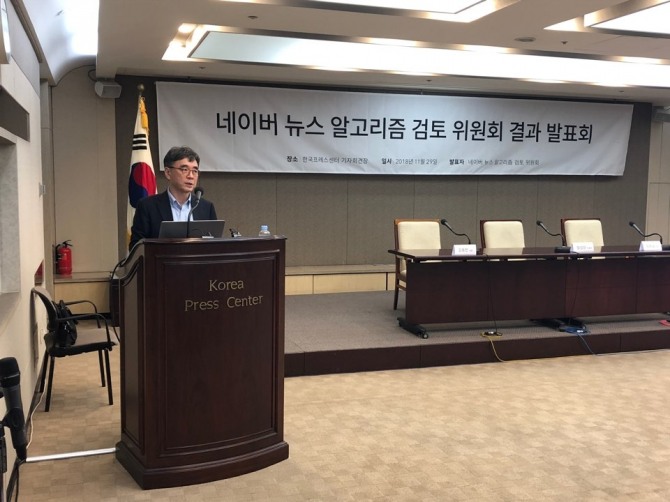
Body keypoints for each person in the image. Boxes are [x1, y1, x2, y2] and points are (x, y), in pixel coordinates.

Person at [129, 146, 217, 250]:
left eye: (195, 170)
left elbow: (215, 246)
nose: (191, 176)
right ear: (168, 173)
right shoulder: (147, 206)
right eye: (184, 169)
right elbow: (136, 248)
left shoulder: (206, 208)